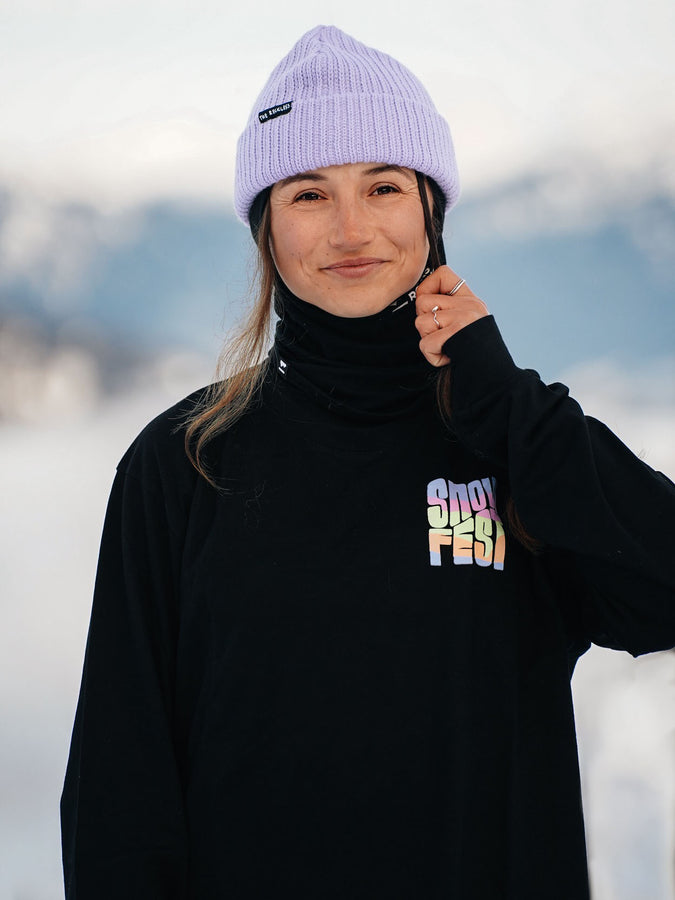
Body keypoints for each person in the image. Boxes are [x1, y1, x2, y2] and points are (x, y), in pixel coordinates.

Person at [60, 25, 675, 900]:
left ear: (429, 212)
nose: (351, 230)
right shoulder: (183, 462)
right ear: (266, 228)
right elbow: (119, 792)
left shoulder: (515, 444)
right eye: (309, 194)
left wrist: (507, 404)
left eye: (382, 186)